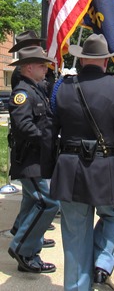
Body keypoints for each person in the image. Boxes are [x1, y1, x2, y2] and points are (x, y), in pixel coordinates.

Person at [46, 34, 114, 291]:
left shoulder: (62, 87)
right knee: (112, 217)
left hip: (68, 170)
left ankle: (78, 284)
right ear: (105, 62)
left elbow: (49, 133)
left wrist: (48, 170)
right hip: (105, 169)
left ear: (82, 58)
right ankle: (102, 259)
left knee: (75, 240)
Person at [7, 46, 59, 274]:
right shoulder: (23, 93)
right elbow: (23, 126)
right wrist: (48, 140)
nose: (45, 67)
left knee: (31, 203)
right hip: (29, 160)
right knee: (48, 203)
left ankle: (29, 241)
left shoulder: (36, 90)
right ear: (28, 67)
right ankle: (23, 249)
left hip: (37, 159)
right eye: (41, 64)